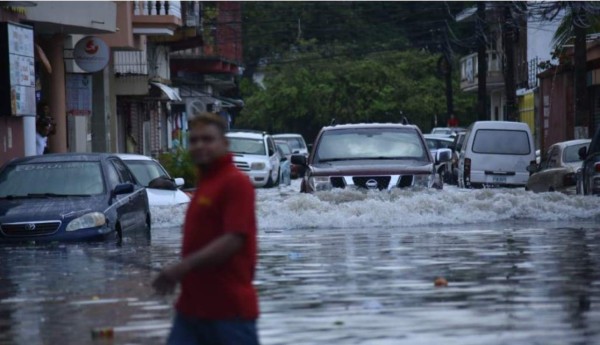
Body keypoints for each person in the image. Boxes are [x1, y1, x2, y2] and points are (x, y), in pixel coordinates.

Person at [152, 112, 260, 345]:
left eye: (208, 139)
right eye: (194, 140)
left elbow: (234, 239)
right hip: (191, 310)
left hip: (229, 313)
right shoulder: (205, 184)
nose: (200, 145)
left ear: (224, 143)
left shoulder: (235, 182)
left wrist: (182, 267)